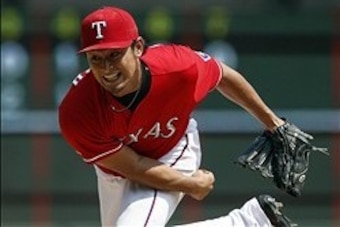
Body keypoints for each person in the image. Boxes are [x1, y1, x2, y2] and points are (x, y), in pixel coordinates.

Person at [58, 6, 296, 227]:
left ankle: (247, 222)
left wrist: (273, 124)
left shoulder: (177, 67)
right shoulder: (78, 111)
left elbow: (222, 74)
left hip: (170, 151)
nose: (107, 67)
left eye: (114, 54)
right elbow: (135, 166)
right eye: (96, 58)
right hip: (118, 171)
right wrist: (191, 185)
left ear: (138, 47)